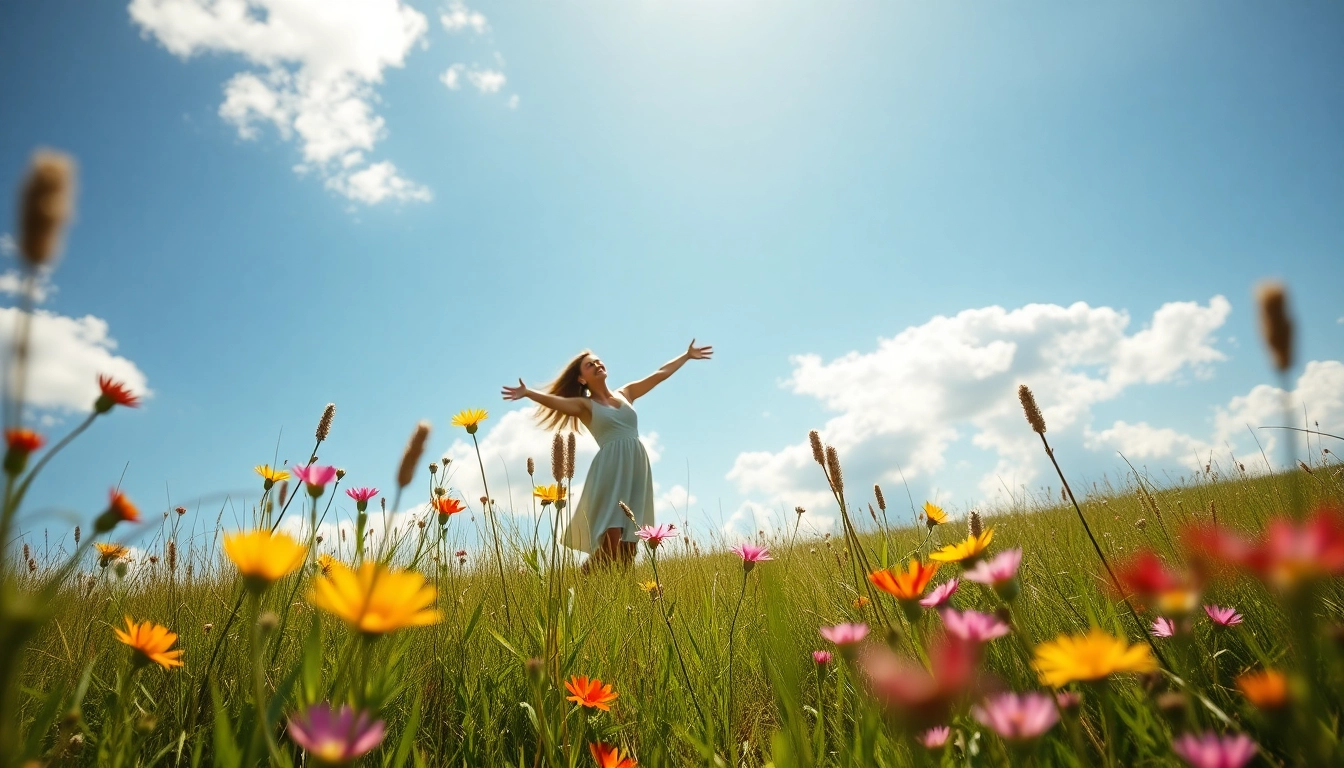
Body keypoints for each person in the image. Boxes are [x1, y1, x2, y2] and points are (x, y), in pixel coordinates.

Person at [501, 340, 712, 569]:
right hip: (610, 469)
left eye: (598, 361)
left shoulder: (626, 393)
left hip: (636, 468)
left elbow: (660, 374)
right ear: (582, 379)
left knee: (630, 545)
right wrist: (529, 393)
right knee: (611, 541)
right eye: (590, 365)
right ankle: (582, 581)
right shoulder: (585, 406)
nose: (597, 364)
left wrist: (686, 355)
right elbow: (557, 402)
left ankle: (623, 592)